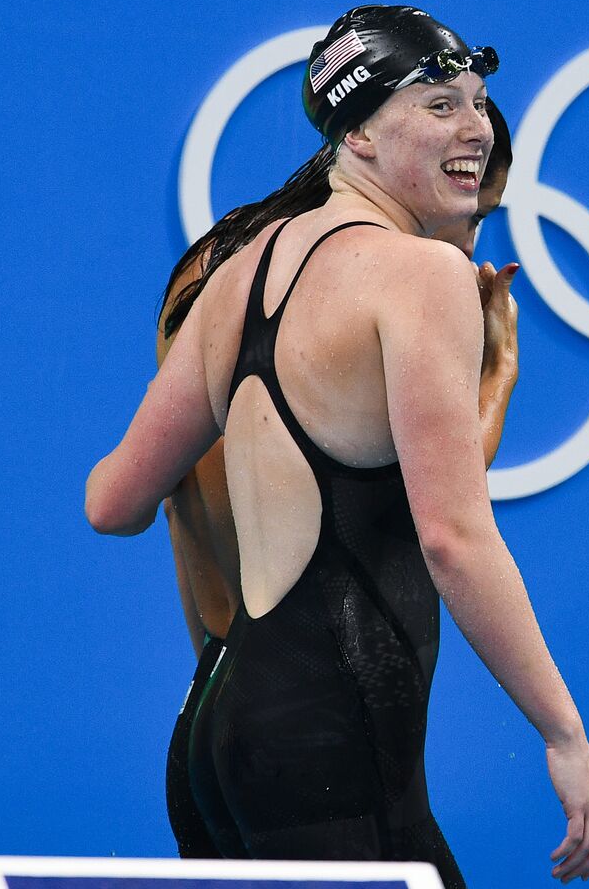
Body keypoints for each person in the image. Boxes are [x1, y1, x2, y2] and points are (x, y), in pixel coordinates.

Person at [86, 5, 589, 885]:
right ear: (358, 133)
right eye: (440, 105)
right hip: (329, 747)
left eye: (479, 104)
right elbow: (452, 537)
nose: (476, 128)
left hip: (220, 735)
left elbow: (112, 502)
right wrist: (562, 733)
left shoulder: (237, 276)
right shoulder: (423, 274)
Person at [156, 100, 521, 860]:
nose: (470, 241)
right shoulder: (381, 285)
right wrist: (496, 380)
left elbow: (130, 497)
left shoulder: (226, 272)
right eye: (472, 206)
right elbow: (423, 517)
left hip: (215, 706)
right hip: (315, 720)